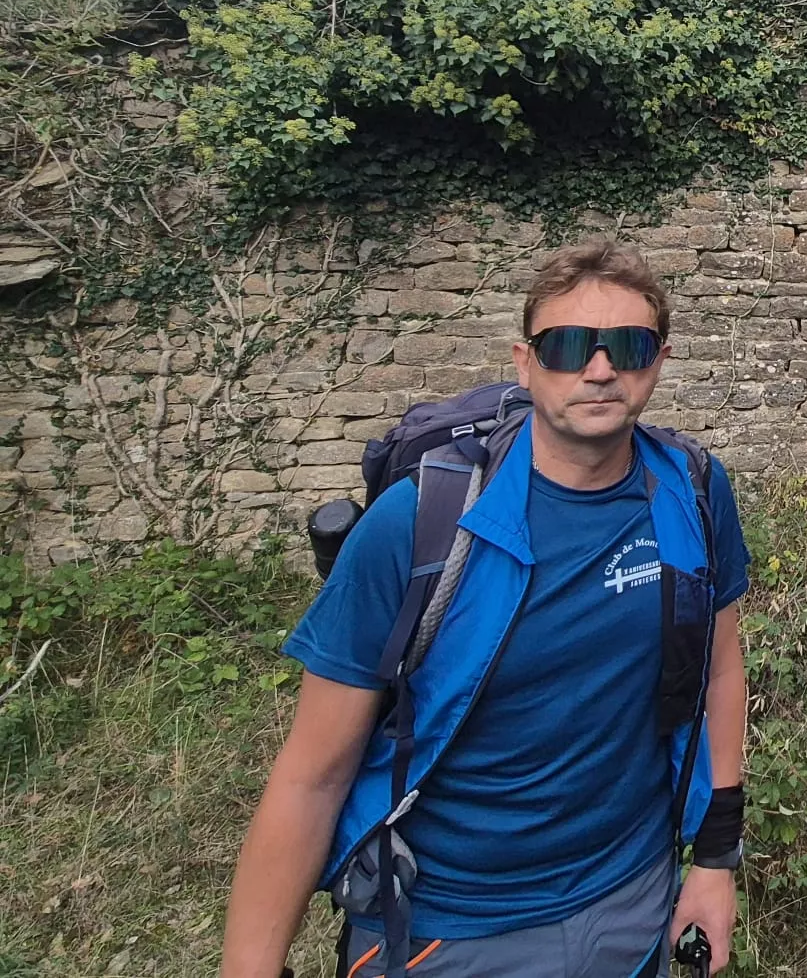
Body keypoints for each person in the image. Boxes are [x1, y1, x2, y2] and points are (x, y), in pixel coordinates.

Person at [220, 239, 752, 978]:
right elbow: (312, 775)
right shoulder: (418, 524)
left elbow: (721, 675)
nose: (599, 370)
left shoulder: (692, 489)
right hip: (449, 926)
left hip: (631, 899)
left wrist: (715, 860)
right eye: (567, 347)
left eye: (627, 347)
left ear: (658, 360)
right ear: (525, 361)